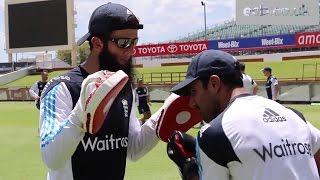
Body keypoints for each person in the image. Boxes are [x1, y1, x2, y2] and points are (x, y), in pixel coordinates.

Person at [39, 3, 161, 180]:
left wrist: (162, 119)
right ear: (97, 43)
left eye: (134, 42)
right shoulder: (62, 87)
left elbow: (133, 149)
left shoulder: (125, 89)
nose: (130, 51)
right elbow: (51, 158)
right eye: (123, 43)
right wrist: (80, 115)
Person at [167, 49, 320, 180]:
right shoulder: (295, 116)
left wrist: (190, 169)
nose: (192, 103)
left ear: (214, 83)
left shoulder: (214, 134)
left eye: (194, 92)